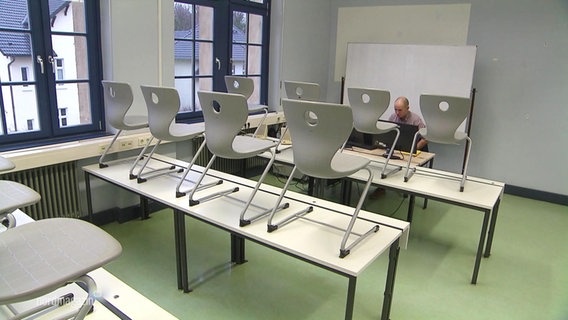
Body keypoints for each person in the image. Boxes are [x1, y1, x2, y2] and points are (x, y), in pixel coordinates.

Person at [370, 96, 428, 199]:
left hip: (412, 151)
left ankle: (405, 188)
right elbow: (388, 134)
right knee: (385, 163)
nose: (397, 113)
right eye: (395, 109)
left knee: (405, 165)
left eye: (400, 110)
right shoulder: (393, 118)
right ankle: (381, 188)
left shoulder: (416, 120)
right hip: (397, 149)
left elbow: (425, 138)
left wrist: (413, 149)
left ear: (407, 108)